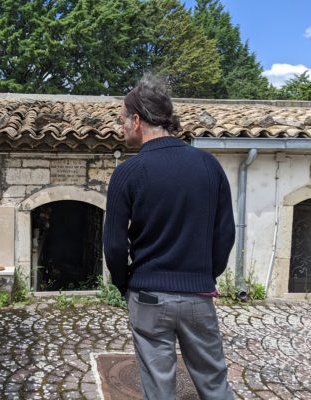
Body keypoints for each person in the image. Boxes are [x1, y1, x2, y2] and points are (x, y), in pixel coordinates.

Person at [103, 75, 235, 400]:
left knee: (158, 391)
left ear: (137, 120)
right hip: (198, 295)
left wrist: (125, 284)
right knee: (214, 384)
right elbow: (225, 234)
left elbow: (115, 245)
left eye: (122, 120)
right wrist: (204, 276)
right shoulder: (209, 166)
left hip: (148, 296)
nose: (120, 127)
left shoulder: (127, 173)